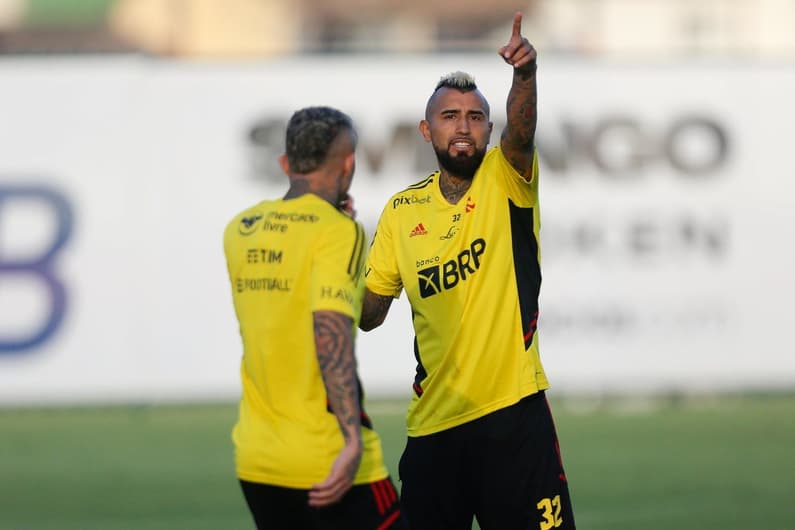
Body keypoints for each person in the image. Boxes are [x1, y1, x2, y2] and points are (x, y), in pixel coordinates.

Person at [360, 12, 576, 530]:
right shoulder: (401, 211)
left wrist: (525, 75)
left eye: (475, 117)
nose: (463, 126)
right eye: (450, 116)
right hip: (434, 428)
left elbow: (523, 131)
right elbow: (369, 315)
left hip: (513, 416)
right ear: (426, 129)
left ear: (489, 128)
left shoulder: (507, 176)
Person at [223, 106, 406, 530]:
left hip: (257, 459)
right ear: (349, 163)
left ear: (286, 164)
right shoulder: (338, 231)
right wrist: (351, 441)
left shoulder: (240, 229)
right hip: (325, 455)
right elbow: (330, 331)